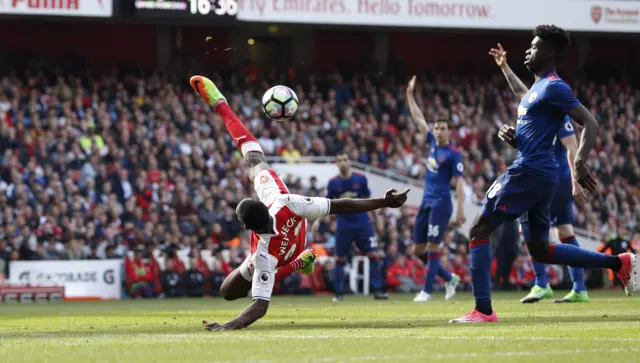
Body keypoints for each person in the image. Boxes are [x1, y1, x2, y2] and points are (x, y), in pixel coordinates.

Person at [189, 75, 409, 331]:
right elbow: (340, 205)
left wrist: (228, 326)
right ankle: (299, 260)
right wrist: (383, 201)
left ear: (250, 229)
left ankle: (298, 260)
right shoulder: (284, 203)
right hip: (288, 247)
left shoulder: (268, 239)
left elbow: (260, 306)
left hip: (281, 253)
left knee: (234, 287)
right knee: (228, 291)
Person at [450, 25, 635, 323]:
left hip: (530, 171)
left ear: (548, 53)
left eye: (534, 47)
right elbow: (527, 108)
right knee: (540, 250)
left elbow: (590, 122)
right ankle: (619, 262)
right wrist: (515, 137)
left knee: (478, 229)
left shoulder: (554, 86)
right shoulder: (536, 90)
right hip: (538, 171)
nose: (528, 50)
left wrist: (580, 162)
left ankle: (483, 310)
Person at [489, 43, 589, 303]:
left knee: (531, 232)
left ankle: (542, 283)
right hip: (556, 178)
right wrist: (505, 68)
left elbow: (571, 147)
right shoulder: (545, 104)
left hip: (551, 178)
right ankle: (579, 288)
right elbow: (522, 92)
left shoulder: (559, 113)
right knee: (565, 231)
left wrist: (575, 181)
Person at [405, 76, 463, 302]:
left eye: (442, 128)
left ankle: (427, 291)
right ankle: (449, 278)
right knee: (418, 251)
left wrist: (459, 210)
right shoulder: (430, 142)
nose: (438, 131)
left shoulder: (453, 154)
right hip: (426, 202)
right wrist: (410, 95)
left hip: (441, 203)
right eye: (436, 128)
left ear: (449, 131)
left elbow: (459, 183)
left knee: (432, 245)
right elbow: (419, 119)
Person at [312, 153, 388, 301]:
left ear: (349, 162)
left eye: (345, 160)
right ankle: (339, 293)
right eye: (340, 160)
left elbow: (369, 200)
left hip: (363, 223)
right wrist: (318, 220)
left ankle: (378, 290)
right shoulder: (333, 183)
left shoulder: (360, 179)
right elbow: (327, 203)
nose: (343, 163)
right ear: (337, 164)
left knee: (374, 255)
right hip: (344, 224)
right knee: (340, 258)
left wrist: (377, 218)